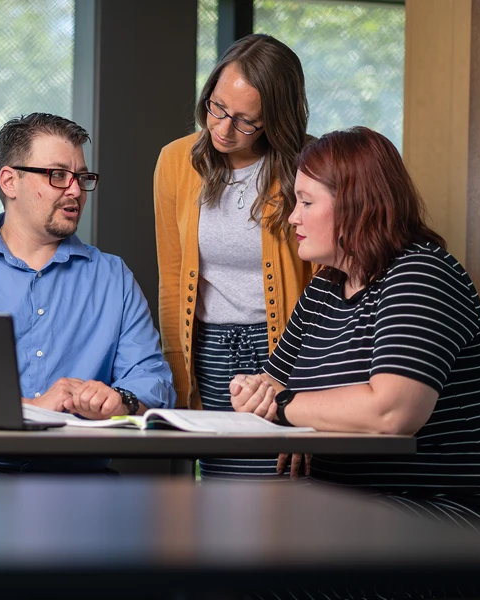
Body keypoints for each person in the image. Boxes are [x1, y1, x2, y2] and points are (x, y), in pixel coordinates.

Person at [0, 112, 175, 479]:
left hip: (67, 471)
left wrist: (121, 400)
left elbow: (154, 380)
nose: (74, 191)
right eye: (57, 176)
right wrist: (33, 407)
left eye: (82, 178)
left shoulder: (112, 277)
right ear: (10, 181)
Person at [231, 126, 480, 526]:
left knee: (261, 553)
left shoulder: (421, 275)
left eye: (305, 202)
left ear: (356, 205)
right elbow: (271, 385)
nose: (292, 217)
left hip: (440, 512)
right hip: (349, 504)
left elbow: (390, 411)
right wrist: (255, 393)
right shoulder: (325, 286)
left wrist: (287, 408)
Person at [153, 34, 312, 479]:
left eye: (245, 122)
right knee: (220, 498)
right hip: (208, 353)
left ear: (275, 120)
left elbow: (327, 286)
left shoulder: (309, 164)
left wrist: (307, 392)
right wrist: (177, 378)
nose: (222, 129)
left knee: (281, 498)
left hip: (283, 353)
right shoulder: (174, 162)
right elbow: (171, 280)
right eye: (217, 108)